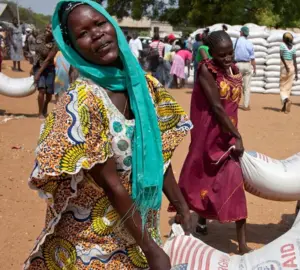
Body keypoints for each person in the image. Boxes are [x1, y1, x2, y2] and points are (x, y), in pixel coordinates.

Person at [24, 1, 193, 269]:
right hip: (92, 242)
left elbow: (158, 153)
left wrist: (181, 204)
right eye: (83, 33)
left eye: (100, 23)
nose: (97, 34)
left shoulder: (144, 86)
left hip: (137, 230)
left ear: (112, 25)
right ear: (73, 47)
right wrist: (149, 246)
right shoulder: (82, 102)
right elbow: (111, 183)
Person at [177, 30, 251, 254]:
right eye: (223, 54)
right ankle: (195, 223)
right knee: (205, 178)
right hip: (210, 134)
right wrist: (237, 136)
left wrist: (233, 133)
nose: (228, 58)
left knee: (232, 180)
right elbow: (217, 107)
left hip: (227, 132)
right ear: (212, 53)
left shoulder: (232, 69)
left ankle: (242, 244)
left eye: (230, 53)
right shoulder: (205, 71)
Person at [33, 23, 58, 118]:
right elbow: (38, 53)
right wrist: (37, 72)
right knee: (42, 90)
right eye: (47, 27)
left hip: (49, 68)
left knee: (49, 93)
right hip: (38, 66)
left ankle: (45, 106)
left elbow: (48, 59)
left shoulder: (55, 43)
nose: (48, 29)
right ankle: (40, 113)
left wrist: (38, 73)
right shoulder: (39, 38)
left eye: (51, 29)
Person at [234, 26, 256, 111]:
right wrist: (254, 67)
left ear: (241, 33)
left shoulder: (236, 41)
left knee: (235, 84)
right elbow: (252, 58)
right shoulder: (249, 43)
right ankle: (246, 105)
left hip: (238, 65)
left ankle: (234, 103)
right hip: (247, 65)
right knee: (247, 86)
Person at [279, 32, 298, 113]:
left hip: (285, 67)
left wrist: (286, 66)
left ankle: (287, 100)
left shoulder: (282, 45)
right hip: (292, 68)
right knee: (288, 87)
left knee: (282, 86)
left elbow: (281, 56)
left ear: (284, 39)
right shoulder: (293, 47)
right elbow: (295, 60)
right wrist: (297, 73)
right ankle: (284, 107)